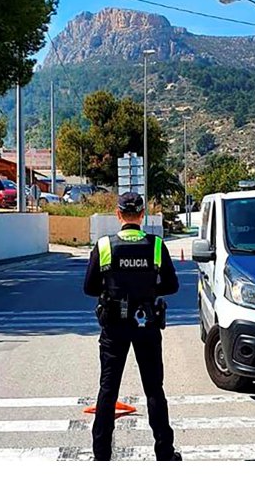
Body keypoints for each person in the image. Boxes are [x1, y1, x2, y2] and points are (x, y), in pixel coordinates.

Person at [83, 192, 181, 461]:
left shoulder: (104, 245)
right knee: (153, 389)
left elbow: (89, 288)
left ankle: (101, 455)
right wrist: (149, 288)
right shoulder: (156, 245)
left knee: (108, 389)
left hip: (114, 327)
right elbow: (172, 285)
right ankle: (164, 452)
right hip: (146, 323)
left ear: (118, 215)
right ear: (141, 215)